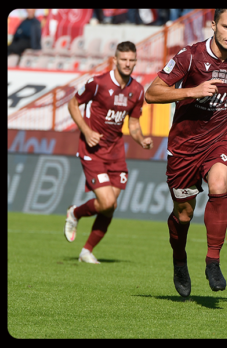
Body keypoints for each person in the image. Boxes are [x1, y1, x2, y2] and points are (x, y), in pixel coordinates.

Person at [144, 9, 227, 297]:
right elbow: (152, 93)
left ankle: (213, 261)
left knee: (219, 183)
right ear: (213, 25)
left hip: (221, 138)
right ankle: (179, 260)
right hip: (184, 148)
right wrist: (190, 91)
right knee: (184, 215)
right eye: (226, 27)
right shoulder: (190, 56)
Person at [64, 41, 151, 264]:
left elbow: (133, 125)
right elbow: (73, 104)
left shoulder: (137, 90)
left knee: (110, 207)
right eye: (124, 59)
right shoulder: (98, 83)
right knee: (106, 202)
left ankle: (86, 251)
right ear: (115, 60)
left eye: (132, 60)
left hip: (116, 153)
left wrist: (142, 140)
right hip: (92, 149)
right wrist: (86, 130)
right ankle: (75, 213)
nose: (128, 63)